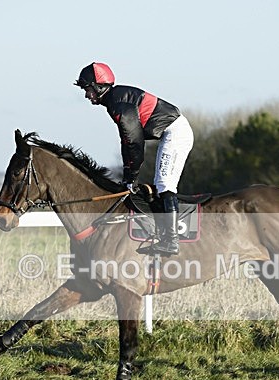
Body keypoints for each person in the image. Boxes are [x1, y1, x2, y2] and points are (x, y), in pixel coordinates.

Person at [74, 62, 194, 255]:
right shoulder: (114, 100)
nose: (87, 95)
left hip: (176, 132)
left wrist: (131, 176)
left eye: (88, 89)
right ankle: (163, 232)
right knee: (159, 183)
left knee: (164, 184)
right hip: (169, 132)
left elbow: (134, 142)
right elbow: (128, 142)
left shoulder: (118, 103)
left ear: (98, 86)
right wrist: (129, 174)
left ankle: (171, 241)